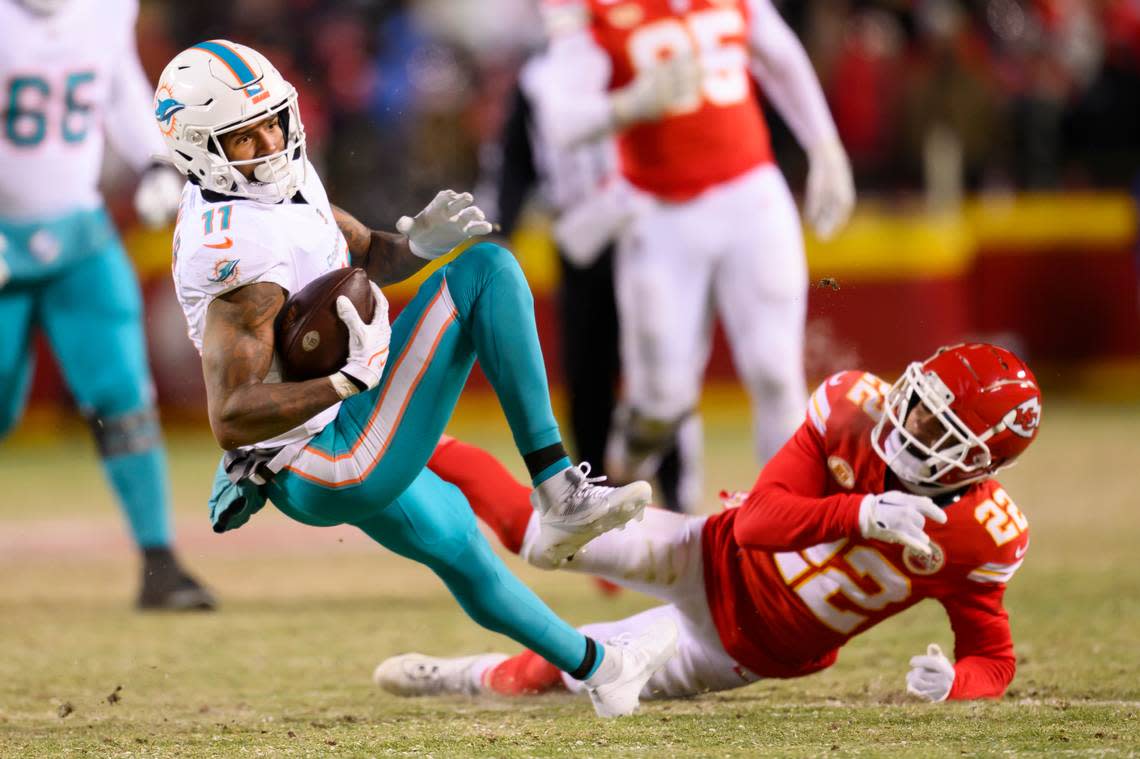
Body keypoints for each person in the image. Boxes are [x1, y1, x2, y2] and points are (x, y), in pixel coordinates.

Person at [158, 39, 675, 717]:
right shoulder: (230, 248)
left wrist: (417, 247)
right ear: (199, 149)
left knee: (459, 544)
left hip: (327, 442)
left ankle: (601, 670)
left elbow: (366, 252)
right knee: (485, 272)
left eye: (273, 119)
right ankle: (558, 491)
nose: (269, 139)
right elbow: (231, 414)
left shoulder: (279, 179)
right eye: (244, 135)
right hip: (322, 455)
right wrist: (347, 381)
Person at [378, 343, 1042, 704]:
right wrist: (864, 512)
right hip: (710, 550)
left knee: (562, 664)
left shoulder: (984, 534)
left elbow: (993, 657)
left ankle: (462, 674)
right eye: (920, 400)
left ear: (982, 459)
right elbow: (757, 524)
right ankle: (398, 435)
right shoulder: (852, 410)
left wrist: (955, 684)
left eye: (938, 426)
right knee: (542, 533)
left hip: (736, 645)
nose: (911, 422)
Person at [533, 0, 857, 489]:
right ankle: (621, 491)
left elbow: (780, 55)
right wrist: (630, 105)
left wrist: (825, 145)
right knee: (661, 400)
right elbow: (560, 118)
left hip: (753, 194)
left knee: (776, 372)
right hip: (659, 214)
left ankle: (787, 531)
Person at [0, 0, 212, 609]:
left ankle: (160, 562)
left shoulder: (108, 8)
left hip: (80, 234)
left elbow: (116, 79)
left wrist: (153, 159)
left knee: (123, 394)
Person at [487, 47, 701, 514]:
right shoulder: (538, 76)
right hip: (580, 235)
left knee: (660, 364)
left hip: (642, 226)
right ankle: (594, 501)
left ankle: (678, 492)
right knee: (586, 372)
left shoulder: (630, 58)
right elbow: (517, 160)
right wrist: (504, 229)